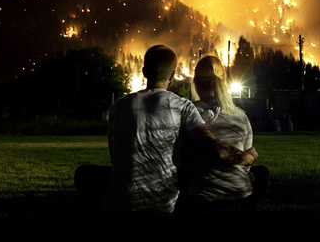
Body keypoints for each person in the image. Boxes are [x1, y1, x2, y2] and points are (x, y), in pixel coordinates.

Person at [100, 45, 258, 215]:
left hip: (116, 203)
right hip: (162, 205)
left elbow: (114, 155)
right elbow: (215, 148)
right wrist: (247, 157)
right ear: (173, 75)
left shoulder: (118, 106)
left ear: (144, 72)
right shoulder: (182, 107)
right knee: (260, 174)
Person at [176, 55, 269, 213]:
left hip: (199, 199)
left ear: (196, 83)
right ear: (224, 81)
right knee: (261, 172)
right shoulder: (241, 117)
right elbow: (245, 164)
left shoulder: (185, 113)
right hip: (239, 196)